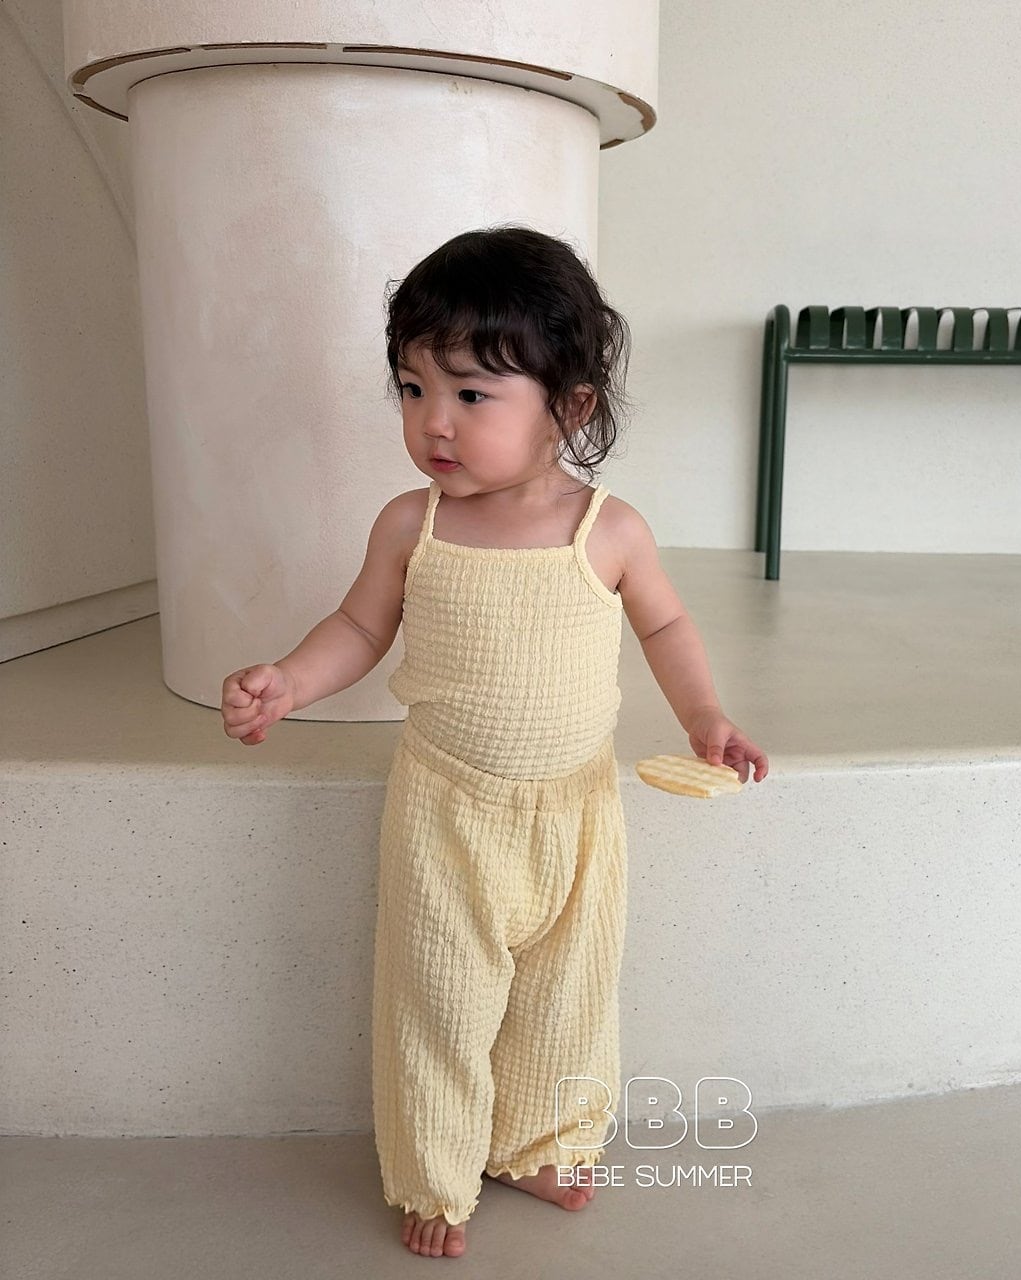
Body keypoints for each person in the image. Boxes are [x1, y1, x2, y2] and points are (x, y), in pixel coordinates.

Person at [219, 225, 769, 1259]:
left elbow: (663, 626)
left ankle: (535, 1143)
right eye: (412, 388)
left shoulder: (607, 530)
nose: (433, 421)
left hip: (574, 813)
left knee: (566, 999)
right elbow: (359, 628)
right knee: (438, 1001)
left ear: (570, 406)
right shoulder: (411, 525)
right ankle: (434, 1171)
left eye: (471, 393)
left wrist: (705, 715)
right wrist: (289, 679)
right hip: (446, 812)